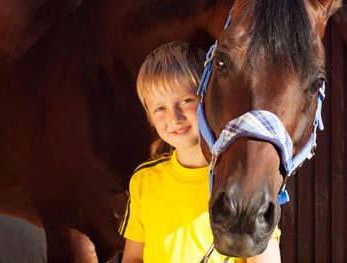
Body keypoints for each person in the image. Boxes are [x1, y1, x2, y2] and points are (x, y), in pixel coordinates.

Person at [118, 41, 281, 263]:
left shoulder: (241, 183)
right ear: (149, 116)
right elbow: (133, 258)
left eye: (186, 101)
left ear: (208, 100)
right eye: (160, 108)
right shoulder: (144, 180)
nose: (174, 117)